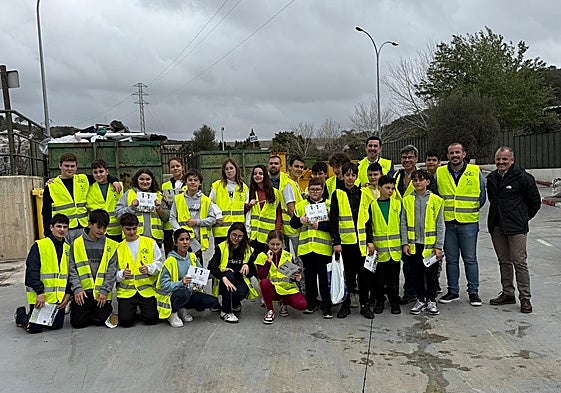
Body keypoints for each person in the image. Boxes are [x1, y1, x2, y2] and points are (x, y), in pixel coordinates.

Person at [486, 147, 541, 313]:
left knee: (520, 262)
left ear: (512, 160)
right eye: (498, 159)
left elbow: (534, 203)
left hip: (516, 228)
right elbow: (493, 200)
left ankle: (525, 298)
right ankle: (508, 293)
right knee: (504, 261)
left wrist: (522, 219)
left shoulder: (524, 178)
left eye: (505, 159)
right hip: (497, 227)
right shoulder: (492, 178)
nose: (501, 162)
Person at [437, 143, 486, 306]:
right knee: (451, 260)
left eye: (458, 152)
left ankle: (473, 292)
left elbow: (482, 198)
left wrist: (468, 210)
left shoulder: (475, 171)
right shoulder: (440, 172)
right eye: (451, 153)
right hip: (448, 223)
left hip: (468, 223)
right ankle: (453, 291)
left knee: (470, 259)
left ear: (464, 154)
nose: (454, 155)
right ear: (448, 155)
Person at [329, 162, 374, 319]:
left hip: (361, 244)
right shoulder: (337, 194)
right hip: (345, 244)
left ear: (356, 176)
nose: (350, 178)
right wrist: (336, 242)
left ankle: (365, 305)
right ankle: (345, 304)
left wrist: (370, 240)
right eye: (347, 175)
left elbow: (368, 221)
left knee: (363, 276)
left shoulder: (364, 195)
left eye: (353, 175)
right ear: (343, 176)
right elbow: (333, 220)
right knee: (346, 276)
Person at [42, 153, 121, 243]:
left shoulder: (83, 179)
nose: (70, 169)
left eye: (72, 166)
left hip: (83, 228)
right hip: (64, 229)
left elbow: (101, 176)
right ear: (60, 166)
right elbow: (46, 212)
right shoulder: (51, 186)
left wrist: (114, 181)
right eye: (66, 166)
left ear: (76, 167)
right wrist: (48, 234)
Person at [401, 170, 445, 316]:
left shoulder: (436, 200)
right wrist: (405, 243)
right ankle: (420, 299)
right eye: (414, 180)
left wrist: (439, 245)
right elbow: (403, 223)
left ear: (427, 181)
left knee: (431, 275)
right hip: (414, 246)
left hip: (430, 246)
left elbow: (440, 225)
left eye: (421, 180)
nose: (417, 182)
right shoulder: (406, 200)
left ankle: (431, 300)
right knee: (417, 274)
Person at [156, 228, 219, 327]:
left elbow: (201, 274)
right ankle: (173, 313)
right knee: (184, 293)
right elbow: (163, 285)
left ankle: (183, 308)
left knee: (212, 301)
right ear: (175, 243)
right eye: (181, 240)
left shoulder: (192, 257)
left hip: (189, 292)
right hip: (172, 294)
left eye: (187, 239)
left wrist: (218, 272)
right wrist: (181, 283)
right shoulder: (170, 261)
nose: (185, 242)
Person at [290, 177, 333, 318]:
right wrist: (300, 220)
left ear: (323, 190)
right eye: (312, 189)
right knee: (309, 279)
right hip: (306, 248)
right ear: (308, 190)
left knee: (324, 279)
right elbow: (293, 224)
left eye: (318, 189)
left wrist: (321, 225)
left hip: (323, 249)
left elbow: (334, 225)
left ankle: (327, 307)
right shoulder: (301, 205)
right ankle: (311, 303)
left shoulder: (328, 205)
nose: (315, 192)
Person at [68, 209, 118, 328]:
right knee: (77, 323)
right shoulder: (77, 243)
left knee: (101, 320)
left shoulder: (111, 245)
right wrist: (77, 289)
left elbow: (112, 272)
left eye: (104, 228)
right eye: (99, 227)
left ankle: (94, 311)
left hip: (101, 293)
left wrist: (105, 290)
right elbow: (72, 268)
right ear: (90, 224)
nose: (101, 231)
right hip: (83, 292)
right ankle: (78, 307)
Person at [24, 214, 72, 333]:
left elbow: (70, 275)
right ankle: (21, 315)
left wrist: (67, 295)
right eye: (58, 226)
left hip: (58, 299)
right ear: (51, 227)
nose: (62, 230)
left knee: (56, 326)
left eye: (65, 227)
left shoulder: (68, 248)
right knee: (34, 330)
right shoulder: (39, 245)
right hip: (41, 297)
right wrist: (39, 292)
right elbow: (32, 271)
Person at [115, 213, 163, 327]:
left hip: (146, 290)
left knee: (151, 319)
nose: (131, 232)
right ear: (122, 228)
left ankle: (139, 310)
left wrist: (149, 269)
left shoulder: (150, 242)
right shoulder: (118, 247)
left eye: (134, 228)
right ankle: (132, 311)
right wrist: (122, 274)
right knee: (125, 322)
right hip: (127, 292)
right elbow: (113, 273)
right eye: (128, 229)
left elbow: (159, 263)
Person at [207, 223, 257, 324]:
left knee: (241, 292)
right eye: (234, 235)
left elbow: (253, 271)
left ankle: (234, 303)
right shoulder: (221, 247)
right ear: (229, 234)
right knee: (229, 273)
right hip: (224, 281)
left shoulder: (248, 250)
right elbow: (211, 265)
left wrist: (247, 265)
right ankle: (226, 311)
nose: (236, 238)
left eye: (239, 236)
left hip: (239, 280)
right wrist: (222, 275)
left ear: (243, 237)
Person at [255, 230, 307, 324]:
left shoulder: (288, 255)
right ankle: (270, 311)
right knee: (264, 282)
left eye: (278, 244)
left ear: (282, 243)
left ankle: (284, 302)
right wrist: (269, 262)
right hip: (272, 290)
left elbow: (291, 275)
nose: (275, 247)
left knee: (302, 305)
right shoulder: (262, 256)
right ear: (267, 243)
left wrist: (297, 277)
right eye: (272, 244)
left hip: (287, 289)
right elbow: (261, 276)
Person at [169, 170, 219, 263]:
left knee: (197, 268)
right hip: (182, 240)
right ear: (186, 182)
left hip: (198, 241)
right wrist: (180, 232)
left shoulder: (206, 200)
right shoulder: (178, 199)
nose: (193, 182)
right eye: (190, 180)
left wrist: (197, 222)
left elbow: (212, 219)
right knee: (182, 265)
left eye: (195, 180)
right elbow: (172, 218)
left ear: (200, 183)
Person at [369, 176, 402, 315]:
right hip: (380, 249)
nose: (390, 191)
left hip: (394, 249)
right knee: (379, 279)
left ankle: (394, 302)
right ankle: (380, 302)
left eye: (393, 188)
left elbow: (403, 225)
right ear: (379, 188)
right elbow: (369, 226)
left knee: (394, 279)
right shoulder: (372, 205)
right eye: (387, 188)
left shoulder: (398, 204)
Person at [115, 168, 169, 245]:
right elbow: (118, 214)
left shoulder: (159, 195)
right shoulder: (128, 194)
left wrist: (160, 209)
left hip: (155, 241)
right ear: (137, 180)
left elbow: (167, 218)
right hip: (132, 239)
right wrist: (131, 207)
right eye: (141, 179)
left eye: (148, 179)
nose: (145, 182)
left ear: (152, 180)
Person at [210, 158, 249, 245]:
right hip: (221, 230)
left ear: (236, 169)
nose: (229, 171)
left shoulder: (243, 187)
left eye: (231, 168)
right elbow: (210, 203)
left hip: (238, 232)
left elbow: (247, 208)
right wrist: (218, 215)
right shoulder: (217, 185)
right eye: (226, 169)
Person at [246, 165, 282, 256]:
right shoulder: (249, 192)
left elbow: (278, 213)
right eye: (255, 174)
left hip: (268, 236)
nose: (257, 176)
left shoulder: (275, 192)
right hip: (253, 236)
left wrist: (277, 230)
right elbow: (243, 211)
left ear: (265, 175)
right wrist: (249, 205)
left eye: (260, 173)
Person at [86, 159, 124, 242]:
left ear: (107, 172)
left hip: (116, 231)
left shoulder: (119, 186)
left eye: (101, 171)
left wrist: (114, 180)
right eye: (95, 172)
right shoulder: (88, 187)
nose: (98, 174)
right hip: (96, 232)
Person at [161, 158, 186, 254]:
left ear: (182, 167)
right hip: (169, 227)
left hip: (185, 224)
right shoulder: (165, 185)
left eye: (178, 166)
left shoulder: (189, 183)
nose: (175, 168)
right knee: (171, 254)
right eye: (172, 167)